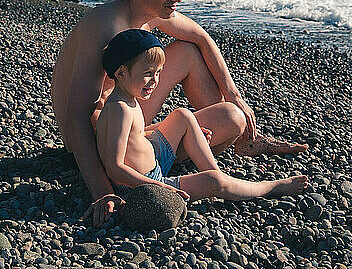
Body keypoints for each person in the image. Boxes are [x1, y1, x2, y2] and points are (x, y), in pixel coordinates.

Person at [51, 0, 307, 226]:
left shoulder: (151, 10)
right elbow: (76, 116)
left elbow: (203, 38)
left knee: (225, 107)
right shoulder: (104, 26)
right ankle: (196, 170)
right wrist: (103, 193)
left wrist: (234, 96)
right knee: (184, 73)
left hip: (134, 124)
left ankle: (239, 143)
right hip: (103, 138)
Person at [88, 29, 307, 223]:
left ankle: (217, 173)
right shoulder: (119, 109)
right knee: (213, 182)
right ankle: (269, 187)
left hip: (154, 155)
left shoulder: (128, 98)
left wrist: (188, 130)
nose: (155, 80)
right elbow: (114, 166)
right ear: (121, 73)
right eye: (148, 74)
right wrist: (160, 187)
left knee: (183, 115)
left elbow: (135, 135)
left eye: (158, 73)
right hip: (144, 182)